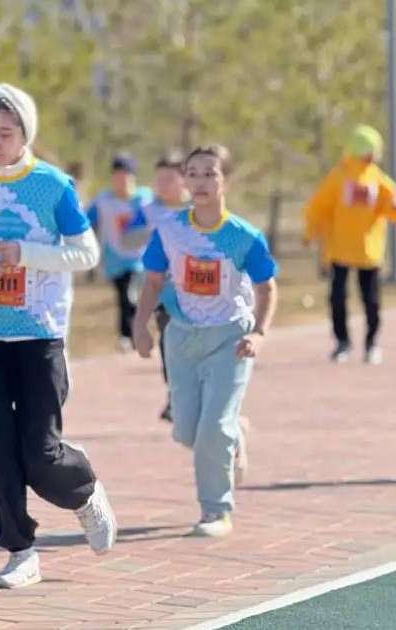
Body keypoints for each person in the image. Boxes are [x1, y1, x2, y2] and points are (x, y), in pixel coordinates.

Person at [0, 83, 117, 590]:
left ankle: (82, 487)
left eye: (5, 132)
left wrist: (27, 255)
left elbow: (86, 253)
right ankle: (20, 551)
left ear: (26, 133)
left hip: (40, 332)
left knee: (40, 454)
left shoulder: (53, 185)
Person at [133, 145, 278, 537]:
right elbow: (153, 281)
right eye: (192, 173)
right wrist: (140, 324)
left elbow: (266, 289)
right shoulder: (170, 230)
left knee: (213, 427)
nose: (199, 181)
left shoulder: (244, 236)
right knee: (187, 431)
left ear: (224, 180)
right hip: (180, 337)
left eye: (209, 173)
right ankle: (235, 436)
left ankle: (216, 511)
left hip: (230, 337)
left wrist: (258, 333)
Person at [303, 124, 396, 364]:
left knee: (371, 300)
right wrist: (310, 232)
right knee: (337, 298)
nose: (371, 156)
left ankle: (371, 344)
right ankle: (342, 343)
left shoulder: (378, 179)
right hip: (339, 250)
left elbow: (392, 206)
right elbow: (319, 207)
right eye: (367, 151)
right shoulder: (338, 176)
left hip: (369, 252)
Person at [131, 151, 191, 421]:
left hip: (199, 295)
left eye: (169, 179)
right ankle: (175, 397)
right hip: (165, 294)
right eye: (159, 179)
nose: (163, 184)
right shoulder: (148, 212)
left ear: (184, 180)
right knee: (169, 346)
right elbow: (126, 238)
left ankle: (194, 396)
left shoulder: (198, 211)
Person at [86, 154, 154, 351]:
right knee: (124, 297)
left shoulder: (145, 199)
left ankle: (128, 336)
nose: (122, 181)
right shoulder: (103, 201)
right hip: (114, 259)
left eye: (126, 176)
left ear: (133, 178)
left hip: (141, 259)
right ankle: (132, 335)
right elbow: (85, 223)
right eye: (117, 176)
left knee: (129, 294)